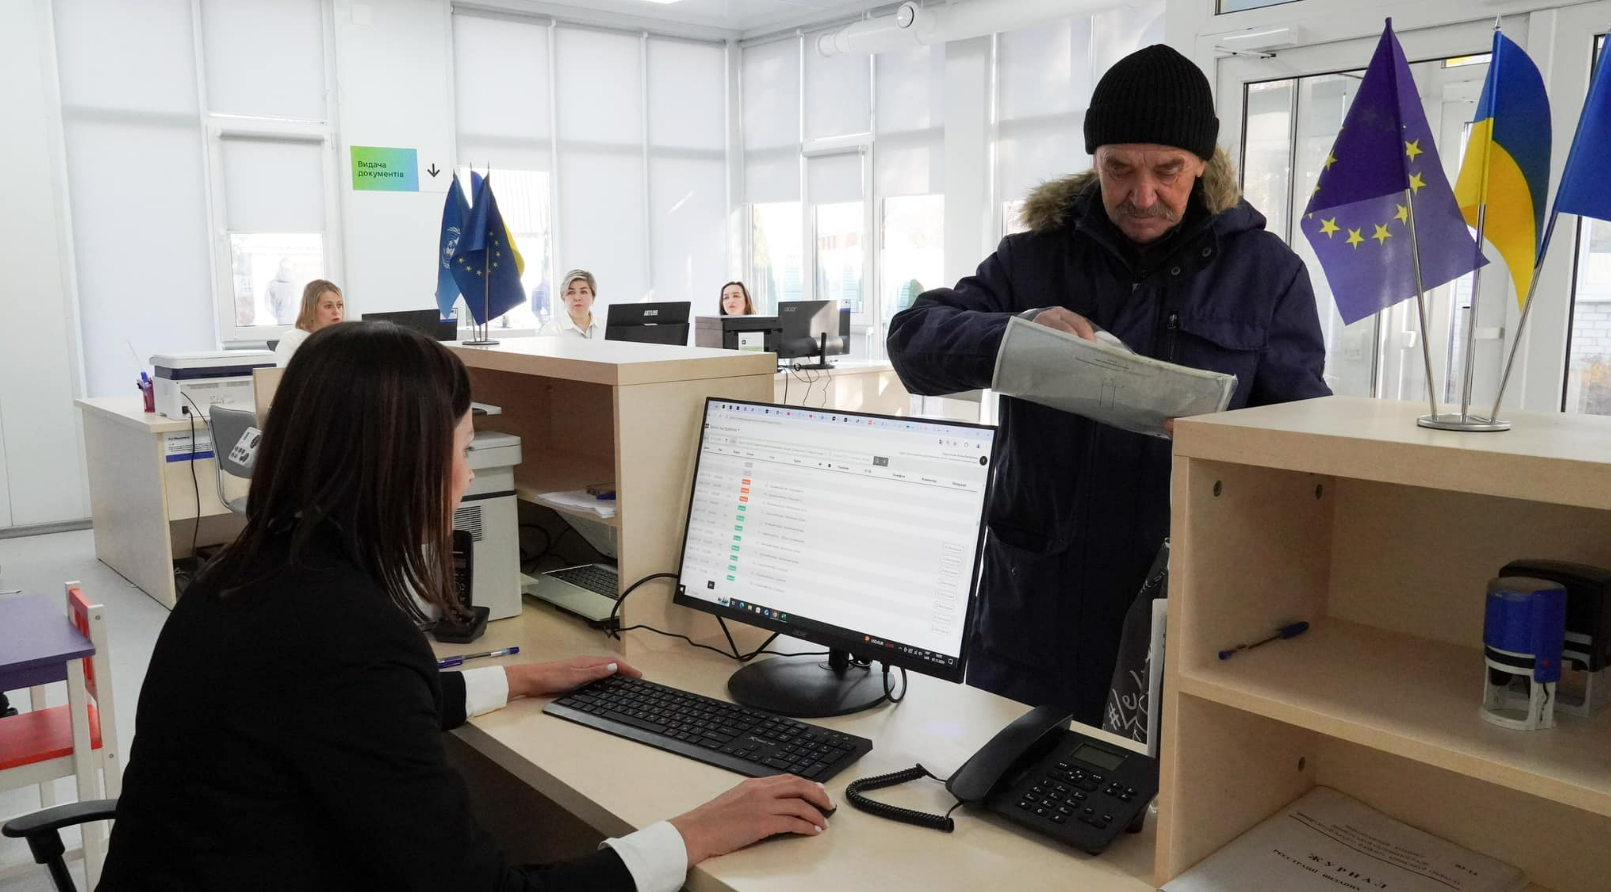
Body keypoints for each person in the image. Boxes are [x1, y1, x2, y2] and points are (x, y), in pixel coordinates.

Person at [98, 323, 835, 892]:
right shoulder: (344, 632)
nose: (464, 474)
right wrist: (691, 833)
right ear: (408, 464)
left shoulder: (247, 576)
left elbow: (337, 717)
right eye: (465, 448)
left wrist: (506, 682)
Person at [886, 44, 1330, 724]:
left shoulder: (1269, 276)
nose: (1141, 194)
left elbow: (1303, 446)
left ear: (1203, 165)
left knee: (1157, 806)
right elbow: (912, 343)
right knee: (997, 780)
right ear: (1093, 161)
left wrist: (1229, 439)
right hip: (1037, 596)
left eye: (1167, 171)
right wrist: (1016, 330)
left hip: (1189, 594)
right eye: (1118, 168)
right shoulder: (1031, 259)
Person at [274, 279, 344, 366]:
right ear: (310, 310)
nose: (336, 312)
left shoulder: (345, 340)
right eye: (328, 306)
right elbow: (286, 378)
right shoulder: (293, 340)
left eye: (339, 305)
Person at [538, 270, 605, 339]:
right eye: (571, 292)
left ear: (593, 297)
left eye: (583, 292)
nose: (577, 298)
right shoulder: (551, 330)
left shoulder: (605, 327)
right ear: (563, 297)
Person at [265, 259, 300, 325]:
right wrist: (278, 315)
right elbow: (267, 305)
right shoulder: (273, 285)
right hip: (281, 323)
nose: (286, 271)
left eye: (288, 270)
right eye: (284, 269)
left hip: (295, 323)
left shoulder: (296, 285)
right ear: (280, 269)